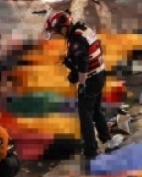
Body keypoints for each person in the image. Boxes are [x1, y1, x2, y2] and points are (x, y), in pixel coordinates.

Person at [44, 11, 122, 161]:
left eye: (58, 30)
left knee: (85, 114)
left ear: (64, 26)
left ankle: (91, 150)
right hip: (99, 74)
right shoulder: (83, 29)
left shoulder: (77, 40)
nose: (58, 34)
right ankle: (107, 140)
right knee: (96, 110)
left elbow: (83, 63)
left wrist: (81, 84)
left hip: (90, 79)